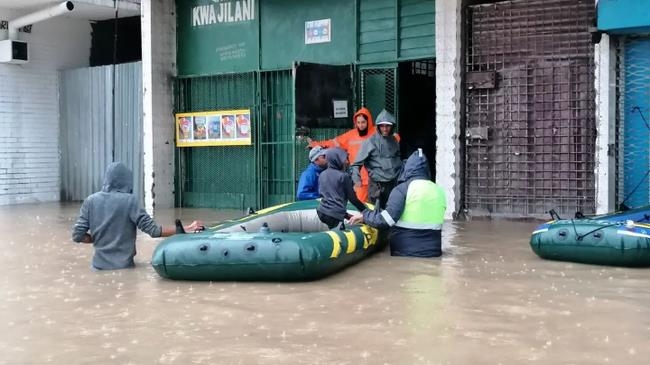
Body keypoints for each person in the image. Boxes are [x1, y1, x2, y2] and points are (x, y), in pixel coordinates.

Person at [72, 162, 203, 270]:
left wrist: (98, 238)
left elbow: (77, 236)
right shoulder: (130, 201)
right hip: (124, 268)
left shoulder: (90, 201)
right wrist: (185, 228)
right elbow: (154, 231)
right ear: (127, 181)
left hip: (97, 268)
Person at [349, 149, 446, 257]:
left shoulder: (402, 189)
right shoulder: (439, 191)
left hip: (405, 253)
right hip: (434, 253)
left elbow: (386, 220)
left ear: (408, 169)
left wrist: (365, 216)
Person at [307, 107, 376, 202]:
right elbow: (333, 143)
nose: (360, 125)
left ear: (368, 121)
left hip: (377, 178)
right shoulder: (351, 135)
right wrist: (316, 144)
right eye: (358, 122)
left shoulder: (376, 133)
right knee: (360, 207)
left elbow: (391, 139)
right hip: (359, 179)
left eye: (363, 122)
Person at [350, 109, 402, 209]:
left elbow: (398, 158)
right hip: (377, 185)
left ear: (392, 126)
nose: (385, 129)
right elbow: (356, 164)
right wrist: (357, 180)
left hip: (393, 183)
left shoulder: (394, 140)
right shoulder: (370, 142)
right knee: (375, 213)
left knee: (392, 210)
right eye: (382, 126)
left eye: (388, 125)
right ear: (378, 126)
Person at [317, 147, 367, 229]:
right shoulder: (343, 176)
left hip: (322, 211)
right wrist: (366, 212)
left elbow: (329, 198)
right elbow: (352, 199)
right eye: (344, 159)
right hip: (334, 216)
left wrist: (347, 215)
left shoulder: (322, 174)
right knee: (340, 238)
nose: (347, 162)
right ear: (336, 160)